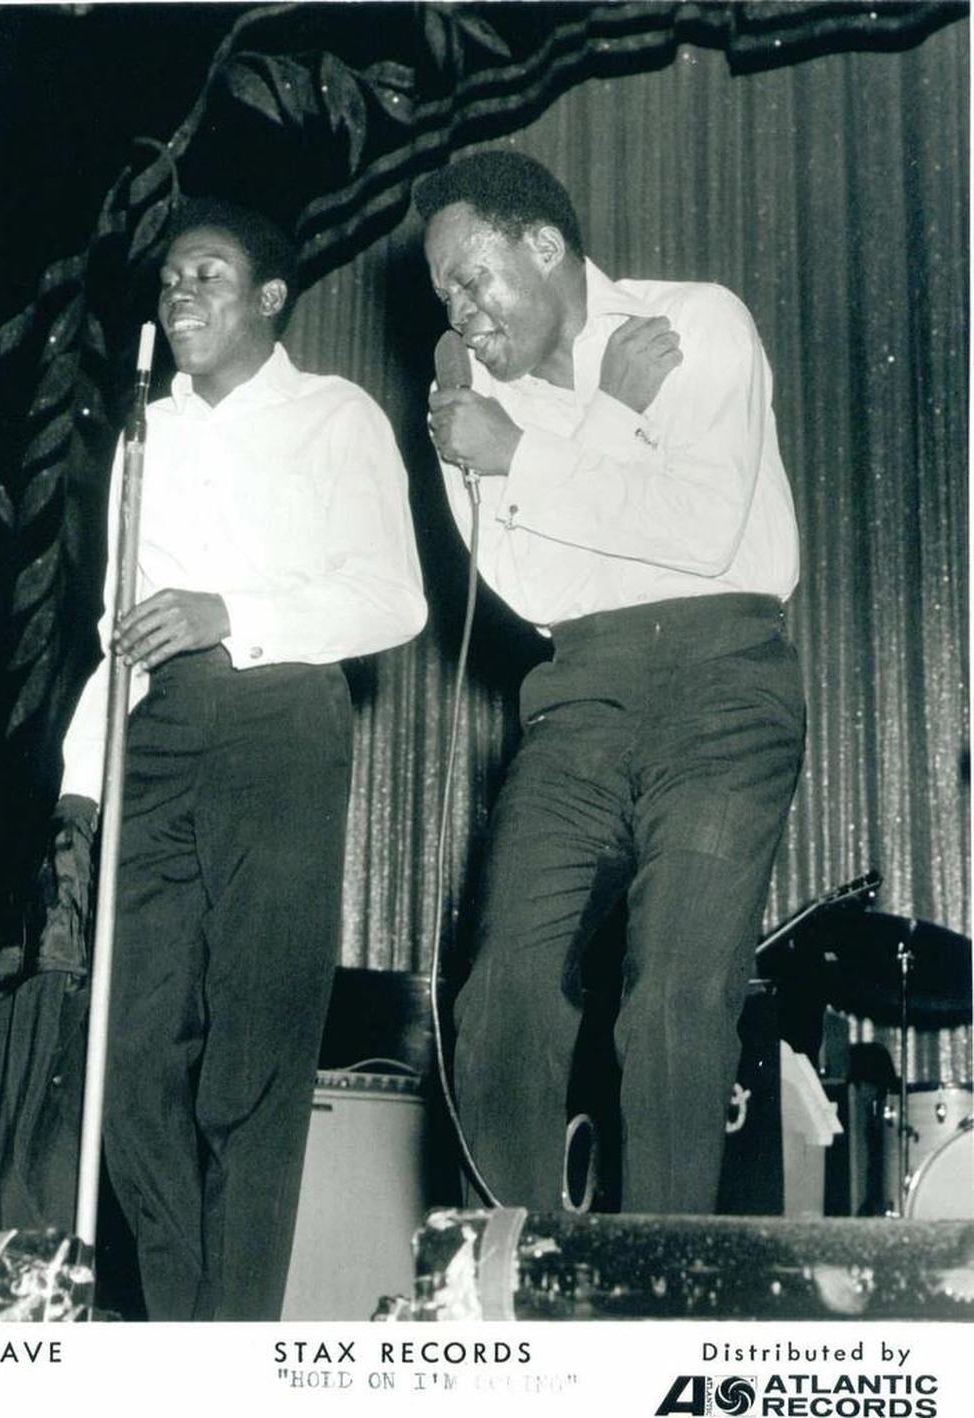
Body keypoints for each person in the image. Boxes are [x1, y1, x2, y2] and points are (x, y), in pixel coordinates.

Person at [56, 196, 427, 1319]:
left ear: (270, 297)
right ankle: (181, 1338)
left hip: (282, 721)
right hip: (154, 732)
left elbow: (395, 598)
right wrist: (81, 790)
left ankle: (235, 1346)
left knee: (251, 1067)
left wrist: (234, 611)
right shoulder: (138, 436)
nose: (180, 296)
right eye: (170, 280)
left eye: (207, 274)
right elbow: (115, 632)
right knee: (130, 1063)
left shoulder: (335, 416)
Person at [415, 150, 804, 1215]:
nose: (461, 310)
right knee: (497, 991)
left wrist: (529, 458)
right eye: (445, 290)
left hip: (727, 683)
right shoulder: (467, 411)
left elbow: (702, 526)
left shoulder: (695, 323)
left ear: (544, 245)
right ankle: (514, 1276)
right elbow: (537, 585)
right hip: (580, 692)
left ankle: (662, 1291)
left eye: (472, 276)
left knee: (677, 997)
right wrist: (608, 423)